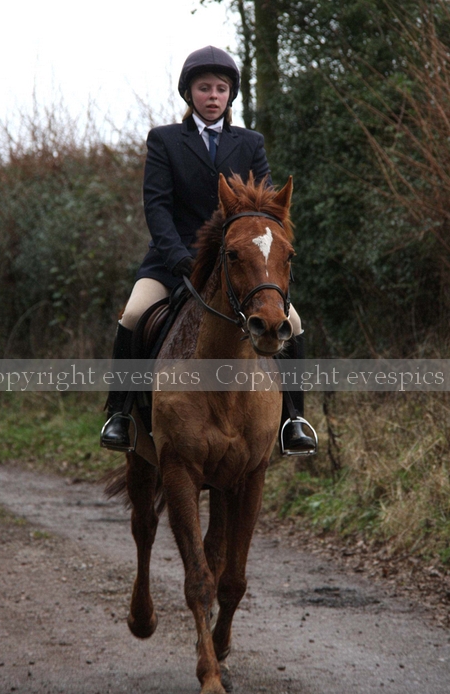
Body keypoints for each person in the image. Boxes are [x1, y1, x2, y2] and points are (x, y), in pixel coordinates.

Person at [100, 46, 316, 455]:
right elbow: (157, 206)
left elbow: (266, 209)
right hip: (173, 261)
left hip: (240, 265)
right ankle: (120, 413)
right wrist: (178, 257)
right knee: (133, 315)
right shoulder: (164, 140)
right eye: (204, 88)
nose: (213, 96)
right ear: (189, 93)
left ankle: (293, 420)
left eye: (220, 89)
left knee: (294, 322)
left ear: (230, 95)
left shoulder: (250, 142)